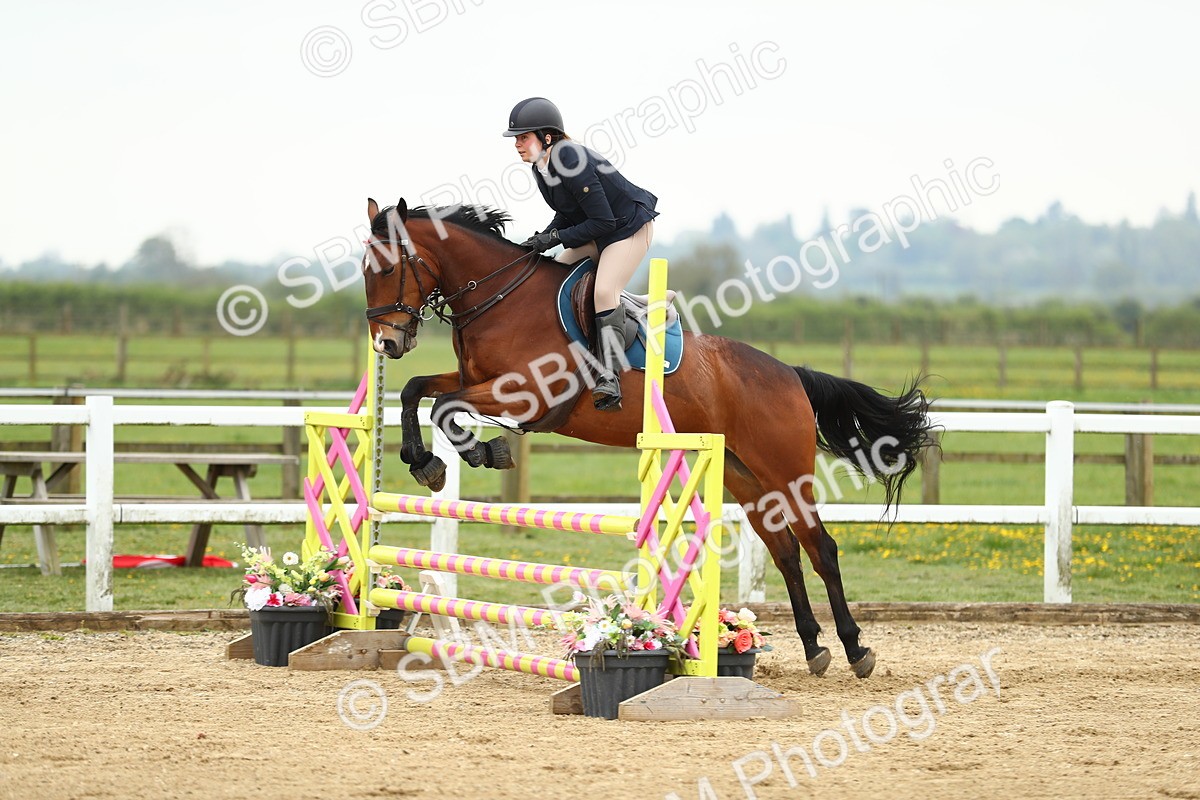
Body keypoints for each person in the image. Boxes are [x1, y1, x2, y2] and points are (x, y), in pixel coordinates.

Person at [503, 96, 659, 412]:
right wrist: (542, 238)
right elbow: (568, 212)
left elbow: (604, 221)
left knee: (603, 292)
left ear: (547, 137)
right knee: (552, 278)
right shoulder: (541, 166)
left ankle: (610, 377)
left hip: (627, 230)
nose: (517, 144)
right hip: (600, 233)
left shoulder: (571, 159)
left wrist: (555, 238)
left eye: (523, 137)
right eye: (516, 138)